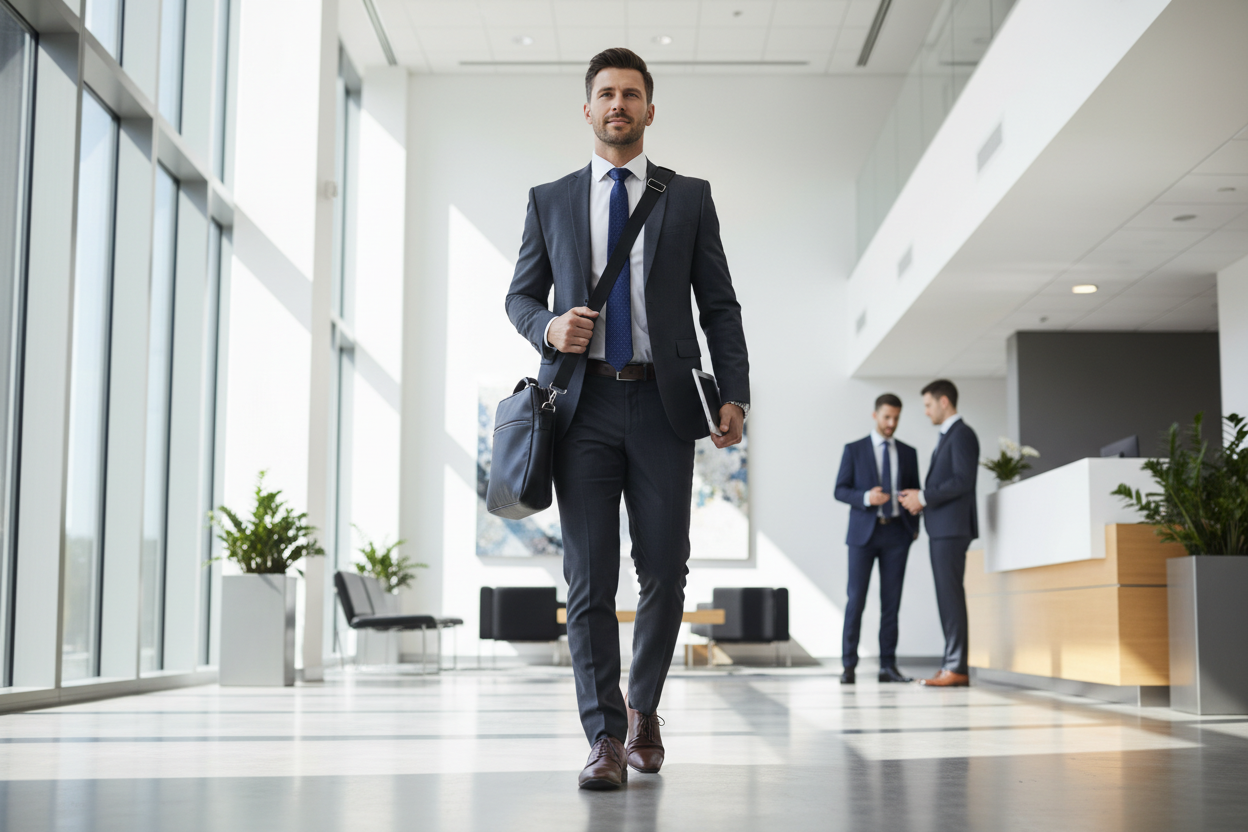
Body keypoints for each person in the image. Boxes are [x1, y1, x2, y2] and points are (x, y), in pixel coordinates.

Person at [504, 48, 750, 790]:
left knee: (666, 573)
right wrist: (548, 328)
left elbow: (720, 305)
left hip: (664, 405)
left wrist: (734, 391)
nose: (619, 104)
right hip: (580, 407)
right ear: (587, 109)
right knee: (588, 580)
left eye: (632, 94)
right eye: (606, 94)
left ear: (650, 109)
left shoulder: (690, 196)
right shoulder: (550, 199)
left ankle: (643, 709)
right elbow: (519, 298)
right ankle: (605, 737)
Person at [833, 394, 921, 685]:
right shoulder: (854, 450)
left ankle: (888, 667)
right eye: (886, 417)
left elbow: (915, 491)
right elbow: (840, 490)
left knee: (891, 603)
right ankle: (848, 666)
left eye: (896, 418)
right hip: (862, 536)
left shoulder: (909, 453)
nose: (891, 423)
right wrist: (866, 497)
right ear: (875, 415)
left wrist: (914, 528)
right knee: (855, 600)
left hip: (897, 533)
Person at [899, 379, 979, 688]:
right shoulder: (950, 435)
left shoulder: (962, 434)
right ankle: (951, 664)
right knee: (947, 598)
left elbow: (962, 480)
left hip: (952, 529)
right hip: (944, 528)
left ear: (944, 402)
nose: (926, 412)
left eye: (928, 405)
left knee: (950, 597)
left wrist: (924, 497)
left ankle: (956, 667)